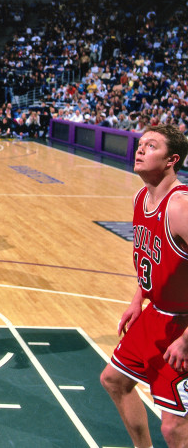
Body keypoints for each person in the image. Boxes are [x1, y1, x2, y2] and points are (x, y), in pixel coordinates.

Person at [100, 124, 188, 448]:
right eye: (140, 144)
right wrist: (139, 298)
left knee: (175, 428)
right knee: (114, 380)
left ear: (171, 160)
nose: (140, 149)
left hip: (182, 323)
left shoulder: (180, 207)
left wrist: (187, 340)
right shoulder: (141, 197)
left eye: (151, 146)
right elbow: (153, 258)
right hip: (156, 313)